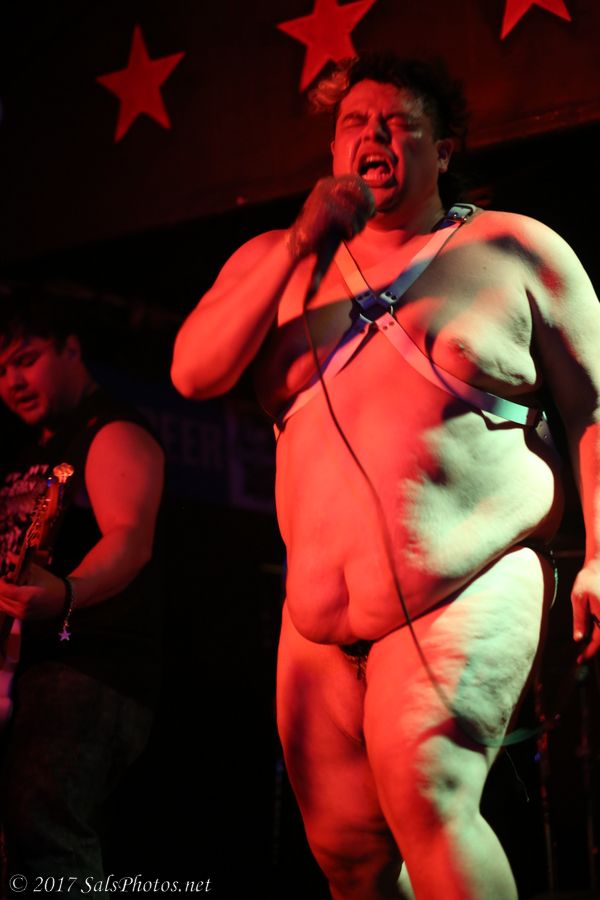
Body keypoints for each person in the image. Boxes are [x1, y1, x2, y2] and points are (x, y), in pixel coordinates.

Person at [171, 52, 600, 899]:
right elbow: (193, 373)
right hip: (317, 623)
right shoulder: (273, 263)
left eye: (399, 123)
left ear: (444, 150)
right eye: (355, 124)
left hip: (471, 576)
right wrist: (300, 243)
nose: (374, 136)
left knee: (427, 792)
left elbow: (596, 408)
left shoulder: (514, 247)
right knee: (348, 859)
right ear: (334, 151)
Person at [0, 289, 165, 894]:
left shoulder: (111, 430)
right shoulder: (34, 449)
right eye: (0, 370)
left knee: (44, 826)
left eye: (26, 359)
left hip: (89, 664)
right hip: (35, 669)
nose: (12, 381)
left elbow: (130, 539)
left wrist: (67, 592)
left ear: (72, 349)